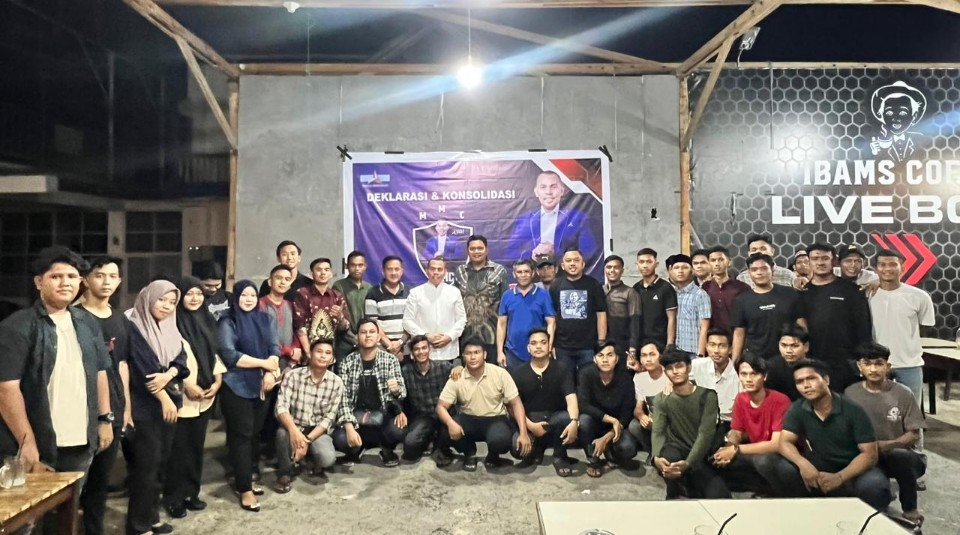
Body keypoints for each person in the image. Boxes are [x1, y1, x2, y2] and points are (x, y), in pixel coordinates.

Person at [0, 247, 112, 533]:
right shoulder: (17, 326)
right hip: (35, 444)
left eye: (72, 276)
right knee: (21, 521)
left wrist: (104, 418)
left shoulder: (87, 322)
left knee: (64, 518)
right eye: (56, 276)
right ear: (39, 282)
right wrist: (27, 444)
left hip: (79, 444)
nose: (65, 283)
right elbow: (6, 388)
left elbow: (101, 371)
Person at [777, 358, 891, 511]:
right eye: (799, 382)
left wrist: (840, 477)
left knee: (874, 486)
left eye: (811, 378)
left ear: (826, 380)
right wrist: (803, 464)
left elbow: (870, 454)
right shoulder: (797, 408)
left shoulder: (853, 410)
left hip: (853, 467)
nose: (806, 385)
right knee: (784, 468)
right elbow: (784, 442)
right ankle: (804, 512)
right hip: (820, 465)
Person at [125, 280, 190, 535]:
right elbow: (144, 371)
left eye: (172, 302)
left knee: (160, 464)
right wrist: (164, 397)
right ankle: (138, 527)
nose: (166, 306)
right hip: (145, 408)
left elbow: (182, 360)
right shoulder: (134, 327)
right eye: (161, 299)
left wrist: (170, 373)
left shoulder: (170, 327)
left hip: (169, 405)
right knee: (145, 468)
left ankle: (151, 517)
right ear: (148, 298)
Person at [76, 256, 133, 535]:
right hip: (80, 409)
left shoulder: (119, 318)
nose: (106, 281)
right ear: (86, 280)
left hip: (114, 408)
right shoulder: (75, 317)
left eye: (112, 276)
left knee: (100, 481)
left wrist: (126, 409)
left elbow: (122, 365)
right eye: (99, 275)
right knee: (74, 482)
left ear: (119, 281)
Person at [162, 277, 226, 519]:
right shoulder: (170, 324)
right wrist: (187, 384)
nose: (195, 298)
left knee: (196, 448)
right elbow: (166, 360)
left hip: (205, 397)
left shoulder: (206, 319)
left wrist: (217, 381)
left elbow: (213, 354)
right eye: (189, 293)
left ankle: (191, 492)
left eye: (198, 294)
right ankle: (173, 497)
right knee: (177, 450)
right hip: (181, 398)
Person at [844, 343, 926, 526]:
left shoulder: (903, 394)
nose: (873, 369)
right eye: (867, 363)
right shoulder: (850, 394)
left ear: (887, 366)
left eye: (879, 363)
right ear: (859, 366)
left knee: (900, 455)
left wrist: (884, 445)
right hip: (866, 457)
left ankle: (910, 508)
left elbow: (913, 435)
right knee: (872, 488)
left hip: (902, 459)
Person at [218, 280, 281, 512]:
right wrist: (264, 364)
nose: (248, 299)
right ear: (236, 297)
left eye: (252, 295)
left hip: (262, 384)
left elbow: (274, 348)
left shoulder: (265, 319)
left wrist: (270, 372)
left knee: (254, 434)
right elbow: (230, 355)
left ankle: (246, 476)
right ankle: (244, 488)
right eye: (244, 295)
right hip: (236, 386)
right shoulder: (228, 321)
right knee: (242, 436)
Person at [435, 339, 532, 471]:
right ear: (463, 356)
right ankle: (469, 453)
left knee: (501, 440)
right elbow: (440, 407)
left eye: (477, 352)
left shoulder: (500, 373)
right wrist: (450, 423)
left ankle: (493, 455)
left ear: (485, 355)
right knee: (445, 430)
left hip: (495, 419)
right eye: (468, 353)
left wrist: (524, 433)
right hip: (468, 418)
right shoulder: (457, 377)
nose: (473, 357)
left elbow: (516, 403)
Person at [651, 347, 730, 499]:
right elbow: (658, 431)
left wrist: (688, 463)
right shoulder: (661, 399)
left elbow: (705, 435)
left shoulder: (708, 396)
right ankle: (674, 490)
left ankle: (687, 481)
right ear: (665, 372)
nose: (675, 371)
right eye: (670, 368)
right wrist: (656, 458)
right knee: (668, 457)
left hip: (702, 455)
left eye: (679, 366)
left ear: (688, 367)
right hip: (677, 449)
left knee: (721, 498)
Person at [710, 354, 791, 495]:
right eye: (744, 374)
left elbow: (776, 444)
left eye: (754, 374)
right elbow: (736, 432)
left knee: (762, 461)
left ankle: (779, 494)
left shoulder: (780, 400)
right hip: (753, 451)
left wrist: (735, 449)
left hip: (778, 455)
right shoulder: (741, 399)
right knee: (715, 458)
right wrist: (727, 449)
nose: (748, 379)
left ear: (765, 376)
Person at [332, 318, 406, 467]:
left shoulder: (390, 360)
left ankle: (386, 450)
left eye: (372, 332)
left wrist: (396, 390)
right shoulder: (347, 362)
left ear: (378, 337)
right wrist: (349, 427)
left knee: (397, 430)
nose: (368, 335)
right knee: (340, 439)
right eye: (363, 332)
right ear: (357, 337)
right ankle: (357, 448)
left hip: (382, 414)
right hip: (356, 416)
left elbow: (402, 393)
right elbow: (343, 399)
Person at [800, 243, 873, 392]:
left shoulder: (852, 290)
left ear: (834, 261)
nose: (820, 262)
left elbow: (864, 329)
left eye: (825, 258)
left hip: (847, 364)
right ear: (809, 262)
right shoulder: (802, 293)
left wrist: (862, 361)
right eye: (815, 258)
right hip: (814, 363)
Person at [274, 338, 344, 493]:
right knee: (281, 434)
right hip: (293, 426)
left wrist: (306, 441)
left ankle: (310, 458)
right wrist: (294, 432)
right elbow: (281, 407)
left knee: (327, 459)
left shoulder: (336, 383)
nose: (323, 356)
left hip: (316, 431)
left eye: (328, 353)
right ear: (310, 354)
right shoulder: (293, 376)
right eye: (319, 351)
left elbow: (328, 419)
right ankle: (285, 472)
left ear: (332, 359)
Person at [869, 249, 935, 409]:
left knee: (911, 413)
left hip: (910, 365)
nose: (887, 268)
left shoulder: (920, 297)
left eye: (893, 264)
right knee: (877, 412)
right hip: (876, 364)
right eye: (882, 264)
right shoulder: (867, 295)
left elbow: (925, 327)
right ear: (876, 269)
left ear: (903, 268)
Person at [510, 328, 579, 476]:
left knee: (567, 418)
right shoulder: (518, 372)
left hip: (556, 419)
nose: (538, 346)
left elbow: (571, 397)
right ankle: (536, 450)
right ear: (528, 348)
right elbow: (512, 407)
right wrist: (530, 426)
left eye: (543, 342)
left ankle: (560, 456)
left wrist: (574, 421)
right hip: (530, 420)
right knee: (517, 450)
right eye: (534, 343)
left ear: (549, 346)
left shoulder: (562, 368)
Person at [506, 170, 601, 275]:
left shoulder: (578, 217)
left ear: (562, 190)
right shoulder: (524, 219)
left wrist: (555, 253)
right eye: (543, 187)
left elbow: (589, 252)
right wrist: (532, 255)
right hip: (534, 279)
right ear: (536, 192)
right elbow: (509, 254)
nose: (548, 192)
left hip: (565, 278)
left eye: (553, 187)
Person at [577, 341, 638, 478]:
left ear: (617, 359)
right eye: (600, 355)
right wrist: (611, 419)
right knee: (583, 420)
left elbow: (627, 413)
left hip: (617, 427)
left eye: (610, 355)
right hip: (595, 422)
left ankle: (612, 456)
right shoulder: (586, 373)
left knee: (629, 448)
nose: (605, 359)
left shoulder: (625, 378)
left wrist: (606, 438)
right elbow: (583, 404)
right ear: (594, 359)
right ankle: (593, 459)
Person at [730, 253, 806, 360]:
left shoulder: (789, 293)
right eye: (754, 270)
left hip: (788, 357)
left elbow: (802, 325)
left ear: (772, 269)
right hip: (756, 360)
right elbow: (739, 334)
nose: (759, 273)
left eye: (764, 268)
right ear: (749, 273)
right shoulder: (741, 300)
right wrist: (734, 362)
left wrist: (805, 354)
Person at [551, 248, 608, 384]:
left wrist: (601, 343)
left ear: (583, 264)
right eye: (568, 260)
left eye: (576, 260)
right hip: (562, 347)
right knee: (565, 383)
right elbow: (552, 317)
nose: (572, 263)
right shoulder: (556, 285)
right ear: (563, 265)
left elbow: (601, 314)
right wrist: (551, 344)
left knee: (588, 383)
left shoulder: (593, 284)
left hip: (588, 346)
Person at [453, 235, 509, 364]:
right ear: (468, 251)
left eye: (480, 248)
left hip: (492, 336)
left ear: (486, 250)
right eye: (472, 248)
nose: (476, 251)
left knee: (492, 373)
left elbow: (506, 306)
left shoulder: (499, 271)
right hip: (465, 336)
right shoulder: (460, 272)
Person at [399, 335, 453, 461]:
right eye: (417, 349)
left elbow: (460, 370)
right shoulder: (406, 371)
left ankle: (439, 444)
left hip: (443, 414)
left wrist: (459, 368)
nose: (421, 352)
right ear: (412, 353)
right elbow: (399, 394)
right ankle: (429, 438)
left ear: (430, 350)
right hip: (422, 417)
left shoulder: (443, 367)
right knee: (410, 447)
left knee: (447, 442)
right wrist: (399, 411)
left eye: (424, 348)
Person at [402, 257, 467, 362]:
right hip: (422, 352)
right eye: (432, 269)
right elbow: (407, 321)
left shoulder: (454, 292)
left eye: (439, 269)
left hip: (448, 351)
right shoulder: (415, 293)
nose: (436, 272)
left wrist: (449, 336)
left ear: (445, 272)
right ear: (427, 271)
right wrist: (426, 336)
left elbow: (462, 319)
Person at [497, 259, 556, 369]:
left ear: (532, 273)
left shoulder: (543, 295)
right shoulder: (507, 295)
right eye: (519, 272)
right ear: (514, 274)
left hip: (538, 351)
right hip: (512, 353)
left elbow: (551, 323)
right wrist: (500, 352)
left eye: (526, 271)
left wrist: (548, 347)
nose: (523, 275)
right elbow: (501, 324)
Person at [293, 258, 351, 361]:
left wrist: (340, 317)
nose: (323, 273)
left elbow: (345, 327)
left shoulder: (337, 296)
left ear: (331, 274)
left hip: (330, 353)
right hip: (307, 353)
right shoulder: (303, 293)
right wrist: (308, 352)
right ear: (311, 274)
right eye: (319, 270)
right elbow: (299, 325)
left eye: (326, 269)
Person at [690, 329, 741, 430]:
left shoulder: (739, 373)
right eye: (712, 345)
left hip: (729, 425)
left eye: (722, 346)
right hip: (702, 422)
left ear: (730, 349)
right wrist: (669, 383)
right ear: (706, 346)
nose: (716, 350)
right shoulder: (697, 365)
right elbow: (676, 373)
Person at [627, 340, 669, 457]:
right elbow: (638, 408)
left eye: (652, 354)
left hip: (671, 423)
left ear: (660, 356)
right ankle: (653, 453)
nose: (648, 359)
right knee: (634, 426)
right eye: (644, 355)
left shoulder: (670, 374)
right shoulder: (639, 377)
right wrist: (642, 416)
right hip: (653, 423)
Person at [365, 256, 411, 360]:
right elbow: (373, 323)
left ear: (402, 271)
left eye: (397, 269)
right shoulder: (373, 293)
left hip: (406, 349)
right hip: (381, 349)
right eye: (390, 269)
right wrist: (389, 345)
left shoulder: (410, 293)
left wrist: (400, 343)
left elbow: (412, 321)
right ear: (383, 271)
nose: (393, 273)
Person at [667, 254, 711, 359]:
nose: (680, 271)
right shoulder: (671, 293)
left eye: (685, 267)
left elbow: (704, 327)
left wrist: (700, 354)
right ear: (670, 270)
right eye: (676, 268)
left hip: (693, 352)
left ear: (692, 270)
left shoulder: (700, 294)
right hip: (676, 351)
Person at [332, 250, 373, 359]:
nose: (357, 268)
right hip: (344, 341)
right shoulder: (339, 286)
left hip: (365, 340)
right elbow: (338, 316)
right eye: (353, 265)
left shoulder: (369, 288)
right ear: (347, 266)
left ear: (365, 266)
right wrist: (353, 338)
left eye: (360, 265)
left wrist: (363, 337)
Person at [633, 248, 677, 347]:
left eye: (649, 262)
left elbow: (672, 319)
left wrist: (669, 345)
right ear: (637, 264)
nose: (645, 265)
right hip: (640, 343)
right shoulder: (636, 288)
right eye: (641, 262)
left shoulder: (665, 287)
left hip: (660, 342)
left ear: (656, 264)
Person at [602, 255, 641, 367]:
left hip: (623, 344)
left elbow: (635, 323)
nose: (612, 270)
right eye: (609, 267)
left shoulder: (630, 292)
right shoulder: (600, 290)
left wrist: (632, 349)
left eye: (616, 267)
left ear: (622, 270)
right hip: (602, 345)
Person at [258, 264, 299, 368]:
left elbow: (296, 331)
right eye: (279, 278)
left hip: (288, 362)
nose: (283, 282)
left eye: (287, 279)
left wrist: (294, 353)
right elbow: (259, 336)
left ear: (290, 285)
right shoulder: (259, 305)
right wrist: (286, 350)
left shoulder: (291, 305)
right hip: (265, 359)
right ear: (269, 282)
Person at [701, 246, 749, 332]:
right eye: (713, 260)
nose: (717, 264)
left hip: (736, 335)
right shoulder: (705, 287)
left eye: (721, 260)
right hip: (712, 336)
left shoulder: (741, 287)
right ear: (708, 264)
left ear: (729, 262)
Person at [765, 325, 810, 401]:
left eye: (794, 346)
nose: (788, 351)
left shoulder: (815, 369)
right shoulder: (771, 367)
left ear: (806, 346)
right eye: (784, 345)